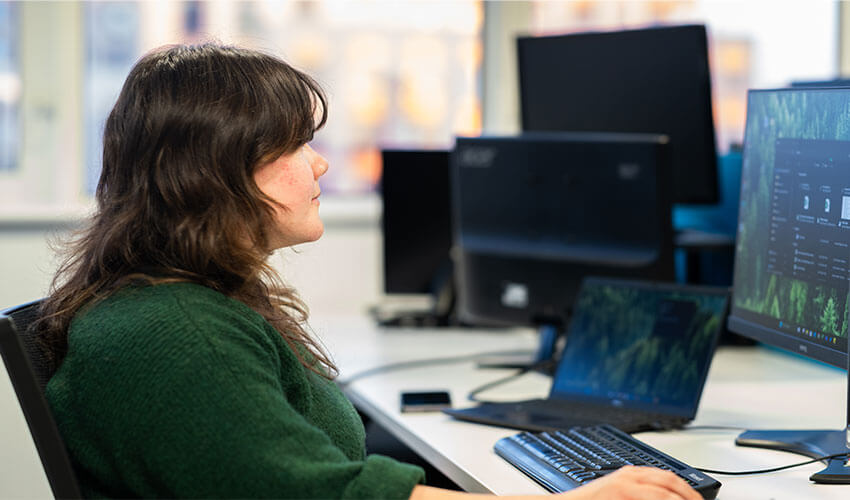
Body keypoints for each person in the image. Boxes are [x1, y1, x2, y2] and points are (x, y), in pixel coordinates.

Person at [35, 43, 701, 500]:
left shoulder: (177, 299)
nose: (319, 165)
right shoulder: (175, 335)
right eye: (294, 147)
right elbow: (327, 496)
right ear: (216, 172)